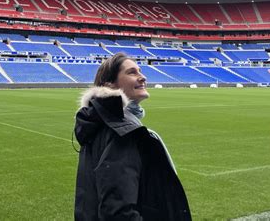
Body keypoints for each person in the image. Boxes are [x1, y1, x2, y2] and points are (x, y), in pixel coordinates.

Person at [74, 53, 191, 220]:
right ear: (111, 86)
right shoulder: (122, 131)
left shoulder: (101, 122)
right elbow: (118, 211)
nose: (142, 77)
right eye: (132, 72)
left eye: (140, 71)